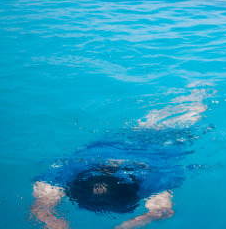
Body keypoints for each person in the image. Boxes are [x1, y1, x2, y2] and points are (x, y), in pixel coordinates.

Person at [30, 86, 210, 229]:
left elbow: (163, 211)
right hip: (119, 142)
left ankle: (199, 94)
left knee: (190, 117)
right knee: (153, 123)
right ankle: (194, 93)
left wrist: (128, 225)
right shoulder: (68, 171)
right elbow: (162, 210)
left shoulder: (153, 179)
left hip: (158, 147)